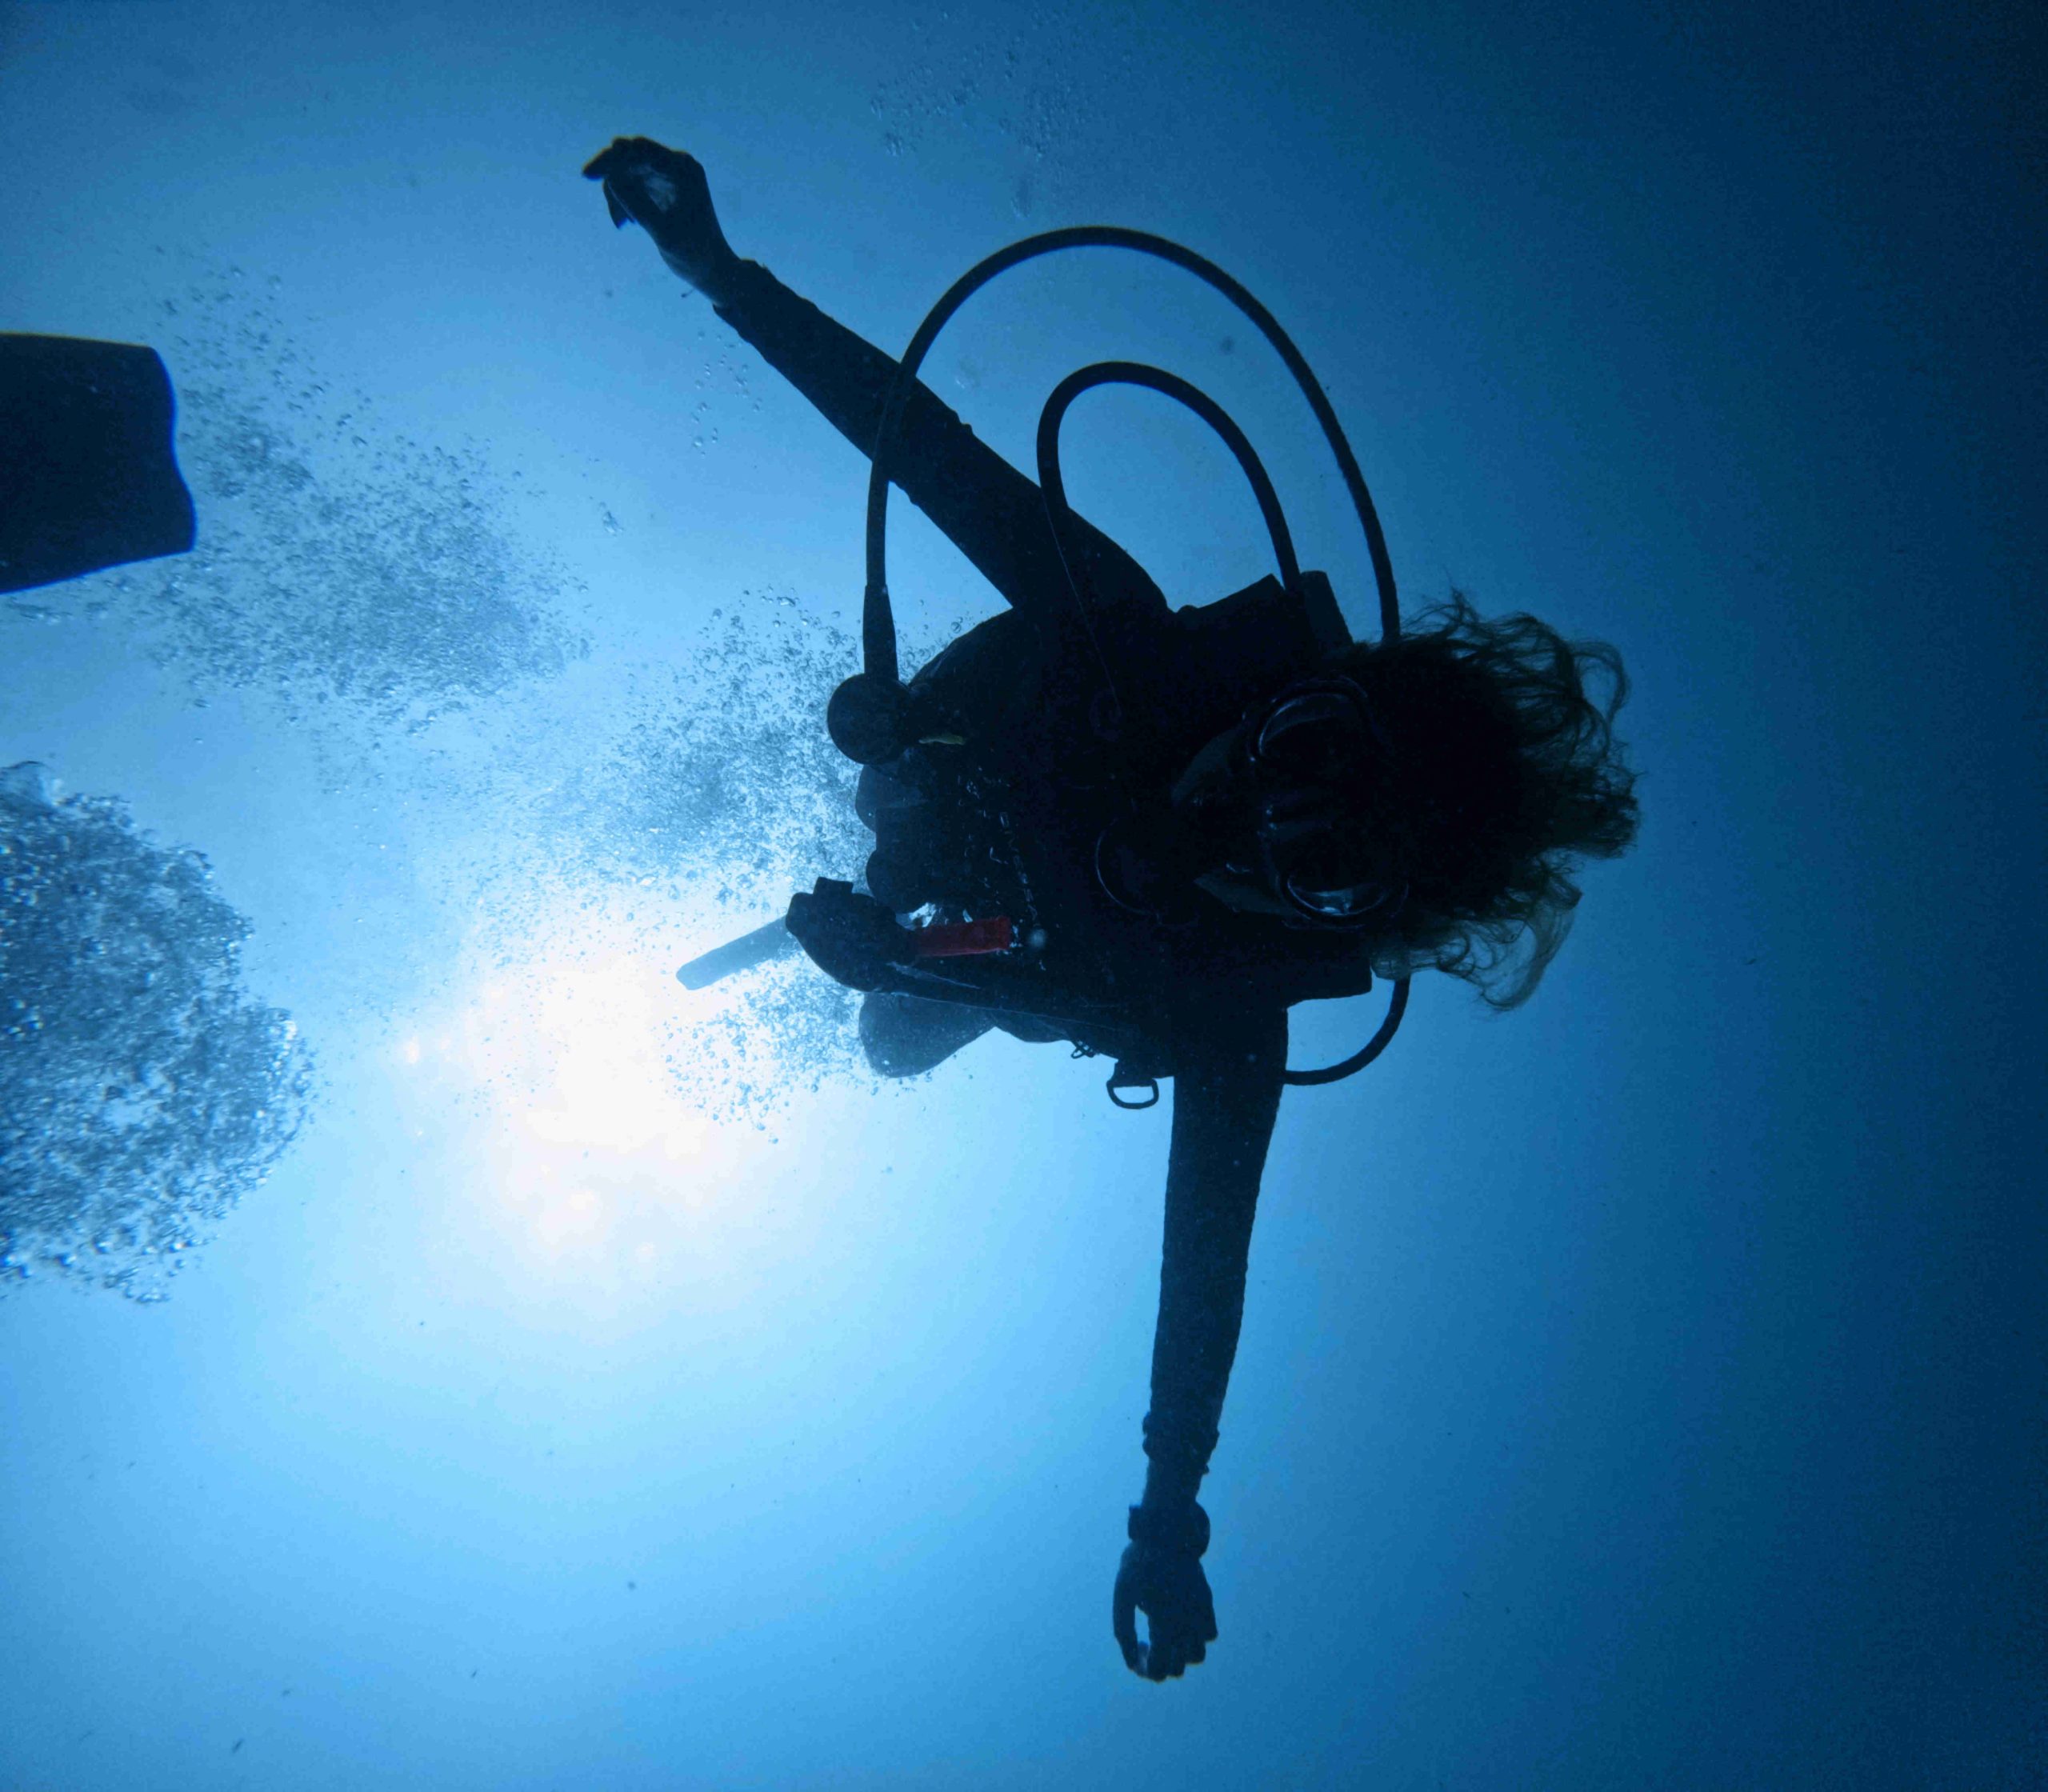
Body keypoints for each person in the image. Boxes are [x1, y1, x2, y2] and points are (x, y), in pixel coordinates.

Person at [584, 137, 1641, 1681]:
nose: (1218, 812)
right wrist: (719, 273)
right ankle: (890, 828)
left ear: (1334, 910)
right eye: (1292, 759)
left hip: (990, 949)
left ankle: (879, 936)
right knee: (888, 779)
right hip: (958, 773)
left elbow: (1204, 1277)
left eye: (1315, 860)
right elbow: (919, 440)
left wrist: (1168, 1512)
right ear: (1297, 701)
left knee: (887, 1038)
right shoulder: (1112, 622)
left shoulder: (1234, 1005)